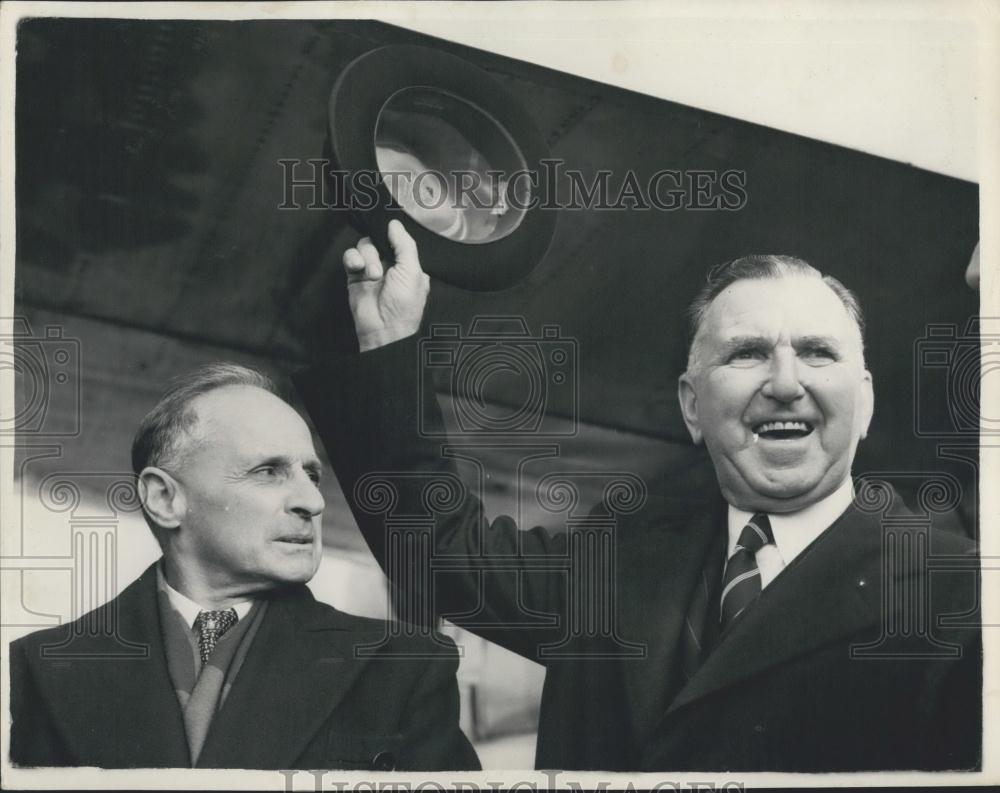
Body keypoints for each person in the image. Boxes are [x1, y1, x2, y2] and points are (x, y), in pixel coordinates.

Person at [295, 220, 981, 772]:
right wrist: (388, 343)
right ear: (691, 405)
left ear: (863, 402)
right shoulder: (615, 562)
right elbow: (442, 551)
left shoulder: (957, 591)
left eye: (819, 353)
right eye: (746, 353)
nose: (784, 380)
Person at [9, 363, 479, 771]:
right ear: (164, 498)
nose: (313, 501)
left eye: (311, 474)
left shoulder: (402, 668)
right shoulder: (33, 670)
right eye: (268, 471)